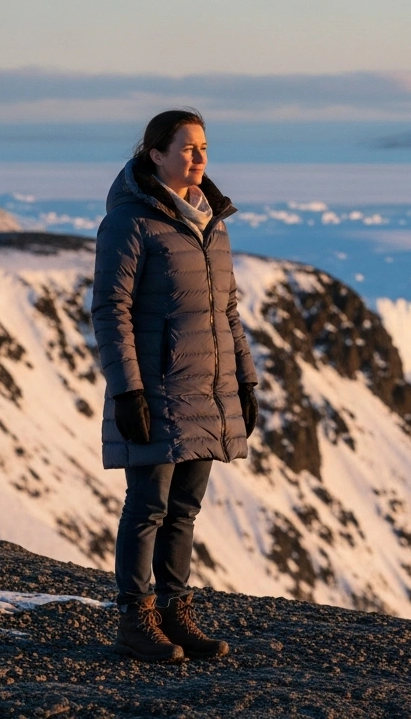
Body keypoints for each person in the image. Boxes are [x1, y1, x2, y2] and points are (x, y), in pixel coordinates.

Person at [91, 109, 259, 662]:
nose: (199, 157)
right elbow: (110, 311)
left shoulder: (213, 224)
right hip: (156, 388)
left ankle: (174, 612)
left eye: (204, 147)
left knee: (184, 509)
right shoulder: (130, 222)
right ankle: (135, 620)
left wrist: (245, 383)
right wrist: (127, 391)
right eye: (187, 148)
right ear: (155, 154)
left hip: (206, 390)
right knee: (147, 507)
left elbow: (226, 313)